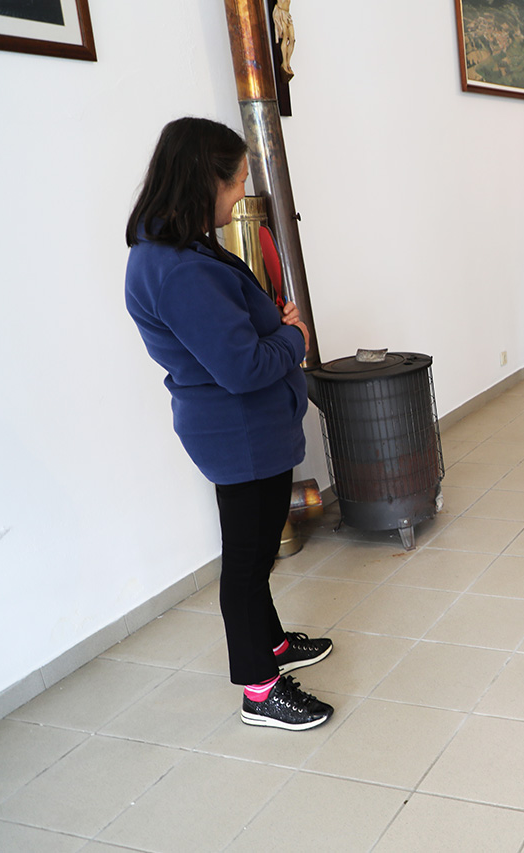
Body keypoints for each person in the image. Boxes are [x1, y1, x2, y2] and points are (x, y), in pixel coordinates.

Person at [125, 117, 334, 731]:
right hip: (239, 432)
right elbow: (241, 366)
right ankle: (260, 691)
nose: (242, 194)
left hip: (246, 429)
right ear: (203, 179)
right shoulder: (180, 268)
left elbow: (227, 332)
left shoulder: (178, 247)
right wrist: (293, 336)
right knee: (245, 562)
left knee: (259, 547)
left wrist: (271, 319)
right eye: (237, 181)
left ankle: (269, 645)